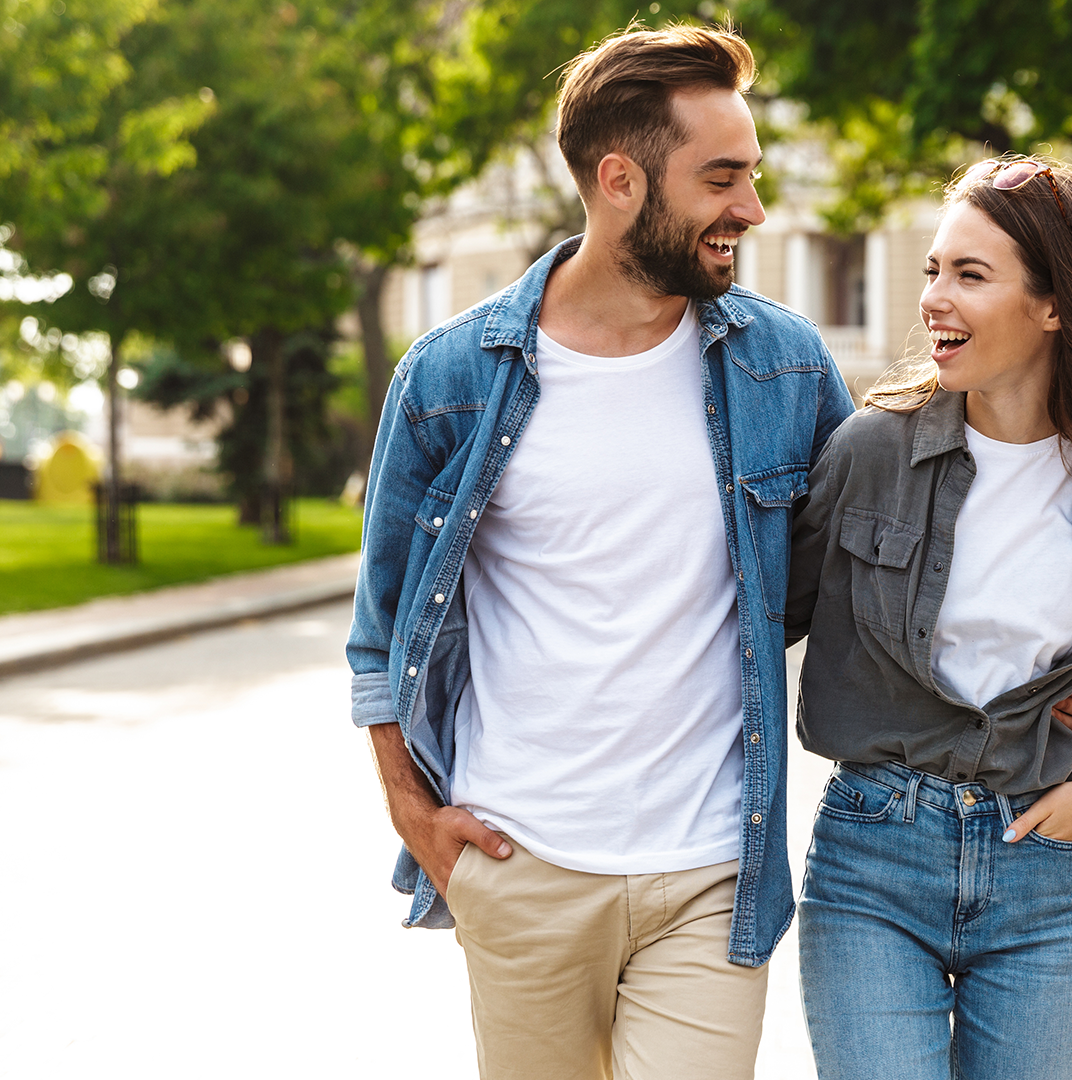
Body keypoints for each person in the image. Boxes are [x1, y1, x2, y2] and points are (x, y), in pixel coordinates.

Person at [344, 25, 853, 1080]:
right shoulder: (449, 381)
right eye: (722, 179)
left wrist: (1064, 682)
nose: (750, 212)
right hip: (522, 865)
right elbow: (382, 632)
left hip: (715, 867)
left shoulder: (785, 368)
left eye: (751, 176)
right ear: (620, 180)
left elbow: (868, 568)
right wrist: (411, 809)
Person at [786, 156, 1072, 1079]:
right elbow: (757, 620)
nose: (934, 297)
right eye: (934, 270)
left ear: (1055, 304)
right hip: (874, 864)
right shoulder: (870, 451)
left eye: (970, 275)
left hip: (1044, 875)